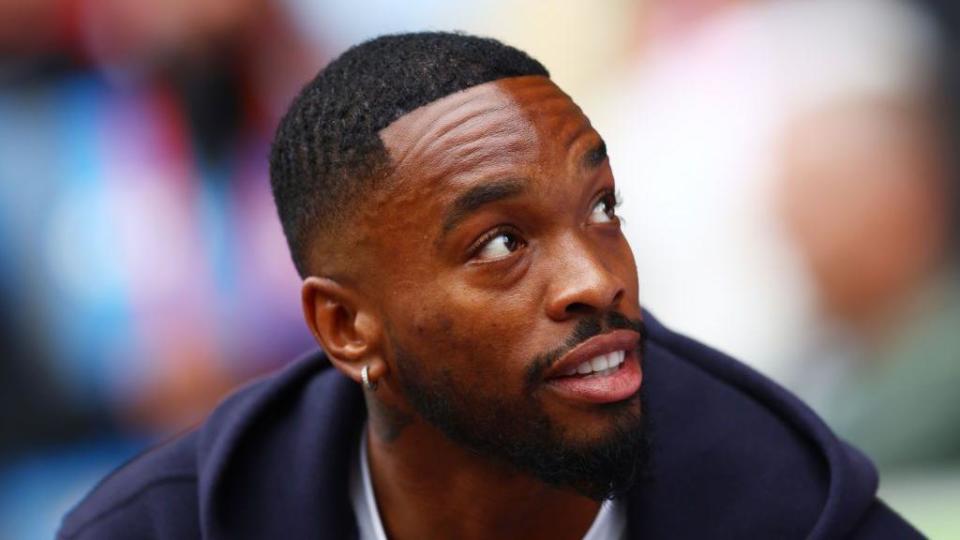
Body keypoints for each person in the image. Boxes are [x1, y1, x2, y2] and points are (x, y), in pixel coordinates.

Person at [58, 32, 919, 540]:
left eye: (603, 208)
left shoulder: (803, 518)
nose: (597, 281)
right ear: (347, 326)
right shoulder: (160, 530)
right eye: (502, 242)